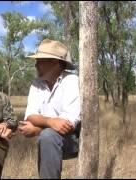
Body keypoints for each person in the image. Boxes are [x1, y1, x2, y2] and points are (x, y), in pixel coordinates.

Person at [19, 39, 81, 179]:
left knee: (47, 136)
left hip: (74, 140)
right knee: (47, 137)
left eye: (40, 61)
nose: (36, 65)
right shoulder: (36, 83)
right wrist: (50, 122)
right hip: (50, 140)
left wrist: (37, 129)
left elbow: (67, 124)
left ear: (54, 63)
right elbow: (30, 115)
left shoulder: (71, 81)